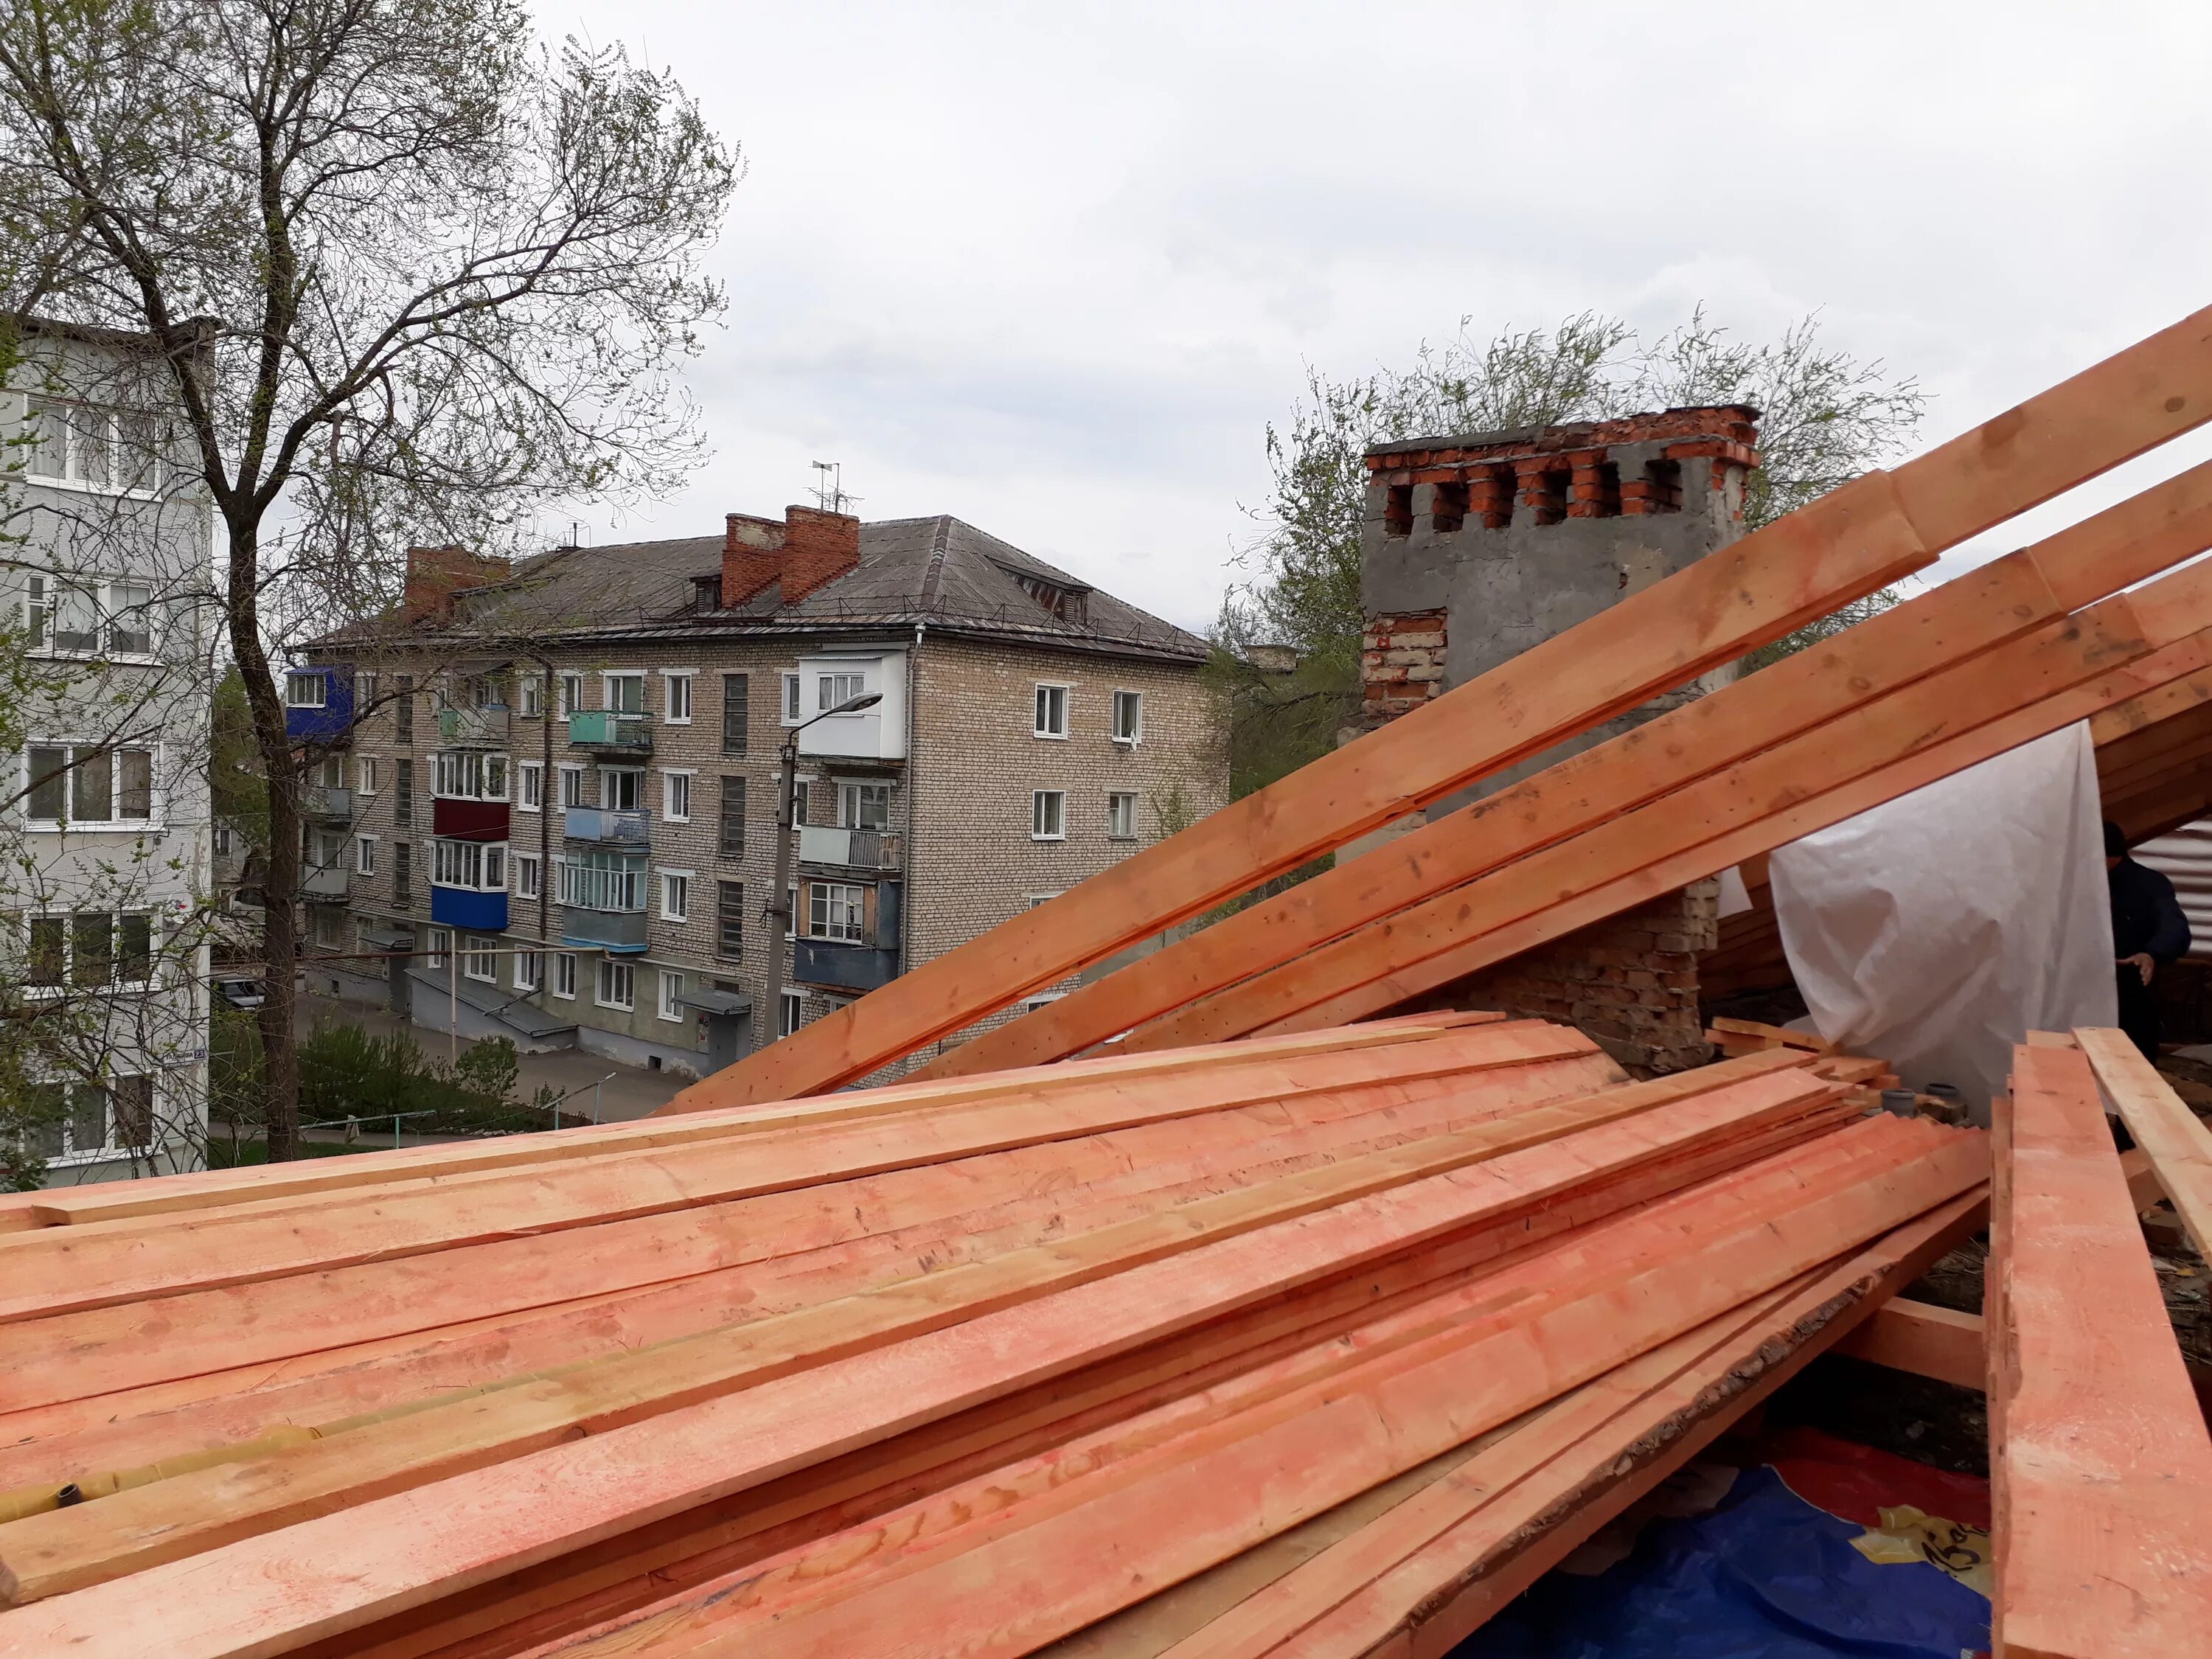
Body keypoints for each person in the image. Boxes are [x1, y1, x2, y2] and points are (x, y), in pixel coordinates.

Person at [2106, 820, 2190, 1061]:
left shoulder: (2149, 884)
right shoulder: (2076, 885)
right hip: (2083, 990)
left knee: (2132, 1065)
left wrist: (2152, 952)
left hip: (2132, 991)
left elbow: (2175, 928)